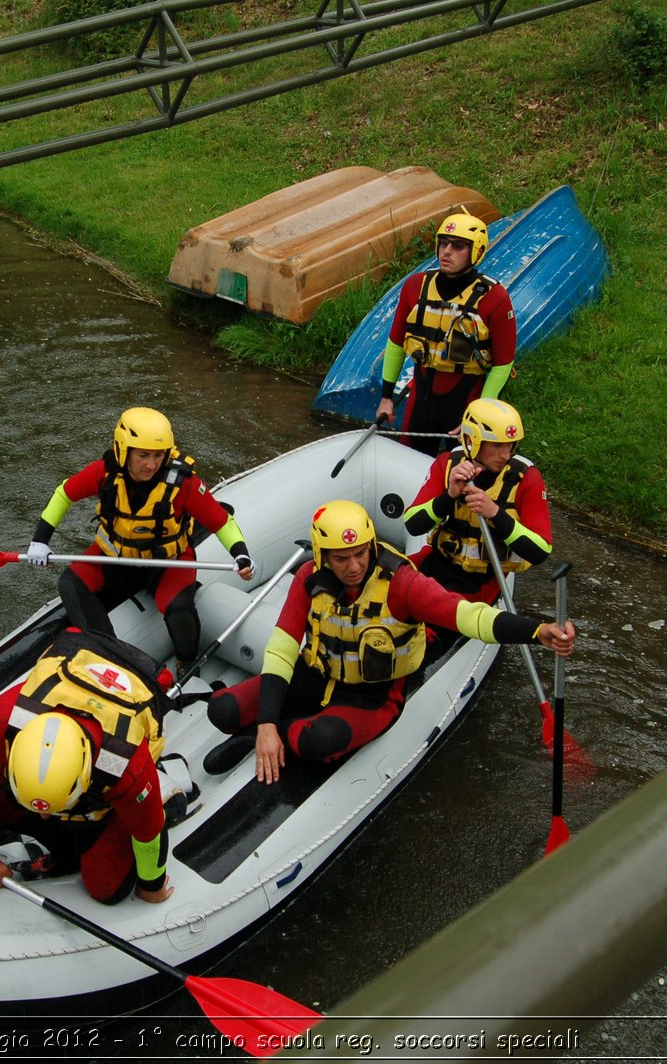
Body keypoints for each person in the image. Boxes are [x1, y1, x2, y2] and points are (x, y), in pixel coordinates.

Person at [202, 499, 575, 782]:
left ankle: (262, 737)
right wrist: (266, 719)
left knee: (313, 741)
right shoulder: (308, 578)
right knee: (222, 710)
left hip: (373, 695)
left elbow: (467, 616)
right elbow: (283, 649)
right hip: (315, 674)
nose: (354, 566)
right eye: (342, 558)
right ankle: (266, 729)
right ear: (322, 556)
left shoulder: (401, 583)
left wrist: (535, 631)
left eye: (361, 553)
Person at [0, 628, 193, 905]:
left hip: (100, 805)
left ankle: (163, 784)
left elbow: (149, 832)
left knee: (107, 889)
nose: (43, 817)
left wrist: (151, 887)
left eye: (49, 812)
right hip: (52, 780)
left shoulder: (125, 765)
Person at [25, 406, 255, 672]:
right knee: (70, 584)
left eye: (158, 456)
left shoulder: (184, 485)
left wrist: (241, 553)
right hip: (115, 558)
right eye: (143, 455)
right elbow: (64, 494)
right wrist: (40, 540)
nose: (151, 464)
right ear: (124, 450)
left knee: (180, 609)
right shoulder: (104, 473)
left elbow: (221, 522)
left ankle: (187, 662)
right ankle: (107, 654)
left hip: (166, 563)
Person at [373, 210, 518, 456]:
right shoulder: (415, 286)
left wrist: (479, 416)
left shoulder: (495, 298)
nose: (446, 251)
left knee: (464, 466)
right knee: (408, 456)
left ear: (477, 252)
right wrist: (386, 397)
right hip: (422, 395)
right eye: (443, 243)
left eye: (458, 246)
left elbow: (503, 364)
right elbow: (396, 343)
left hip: (466, 397)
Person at [403, 397, 553, 625]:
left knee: (437, 615)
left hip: (483, 582)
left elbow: (541, 550)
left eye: (510, 445)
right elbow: (413, 524)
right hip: (437, 564)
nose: (506, 454)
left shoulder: (527, 479)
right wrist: (449, 496)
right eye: (497, 445)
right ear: (473, 441)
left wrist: (494, 512)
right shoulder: (447, 465)